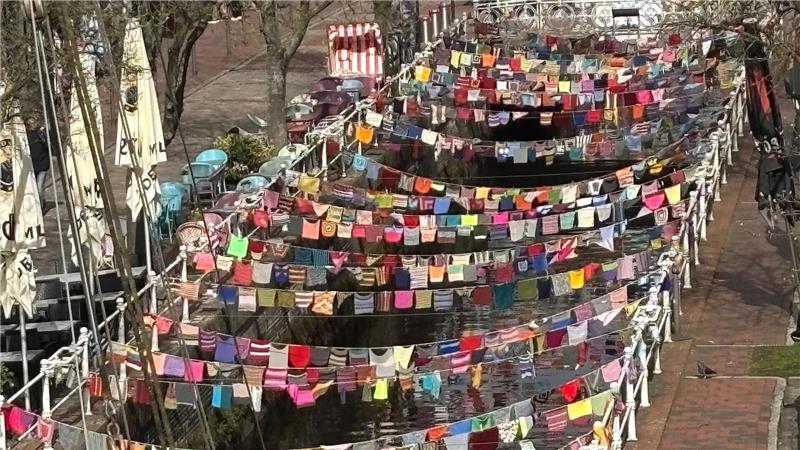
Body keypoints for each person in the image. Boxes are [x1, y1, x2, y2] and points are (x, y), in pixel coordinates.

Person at [25, 113, 55, 212]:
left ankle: (41, 208)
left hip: (42, 165)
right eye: (29, 124)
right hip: (31, 166)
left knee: (39, 187)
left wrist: (44, 137)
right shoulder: (26, 136)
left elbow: (49, 147)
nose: (32, 125)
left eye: (33, 123)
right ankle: (37, 204)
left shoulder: (40, 134)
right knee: (32, 188)